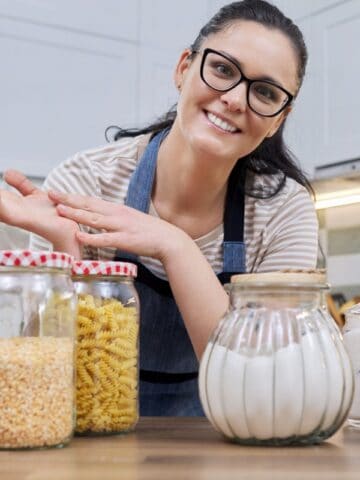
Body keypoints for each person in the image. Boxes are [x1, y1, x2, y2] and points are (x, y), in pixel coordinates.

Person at [0, 0, 318, 416]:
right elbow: (49, 377)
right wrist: (64, 245)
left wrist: (175, 246)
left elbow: (266, 386)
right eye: (223, 69)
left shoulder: (285, 212)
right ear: (184, 68)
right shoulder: (87, 183)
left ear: (279, 118)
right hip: (98, 446)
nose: (236, 99)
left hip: (230, 447)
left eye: (265, 92)